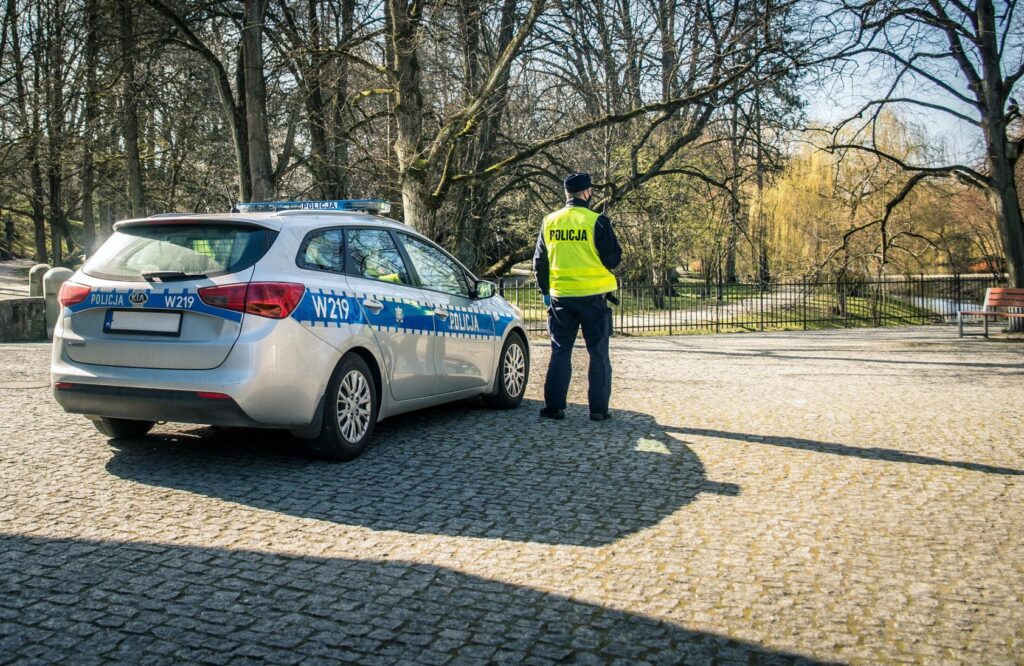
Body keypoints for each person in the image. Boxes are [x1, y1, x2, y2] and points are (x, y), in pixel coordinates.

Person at [533, 172, 622, 421]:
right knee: (598, 353)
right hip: (593, 298)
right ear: (587, 192)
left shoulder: (550, 222)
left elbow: (540, 262)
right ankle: (598, 410)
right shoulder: (598, 221)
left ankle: (554, 407)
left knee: (560, 351)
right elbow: (613, 259)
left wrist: (545, 291)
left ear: (566, 193)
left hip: (561, 297)